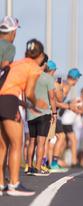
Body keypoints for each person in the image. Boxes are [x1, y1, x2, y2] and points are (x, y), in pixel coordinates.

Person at [0, 38, 47, 196]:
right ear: (40, 56)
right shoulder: (34, 67)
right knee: (16, 144)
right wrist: (37, 102)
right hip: (9, 101)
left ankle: (1, 184)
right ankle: (14, 184)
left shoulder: (17, 63)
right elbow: (29, 93)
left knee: (2, 146)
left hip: (2, 99)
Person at [26, 60, 57, 176]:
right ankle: (38, 168)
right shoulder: (48, 78)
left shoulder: (29, 77)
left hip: (30, 113)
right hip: (43, 113)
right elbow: (52, 97)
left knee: (32, 141)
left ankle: (29, 167)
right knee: (41, 142)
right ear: (43, 65)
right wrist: (54, 113)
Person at [50, 68, 82, 173]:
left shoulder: (63, 83)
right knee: (60, 137)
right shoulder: (65, 86)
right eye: (77, 79)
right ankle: (53, 163)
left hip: (53, 113)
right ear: (75, 79)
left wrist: (70, 104)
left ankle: (50, 162)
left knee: (53, 139)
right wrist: (69, 107)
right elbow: (55, 102)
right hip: (52, 113)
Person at [61, 86, 83, 167]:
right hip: (67, 122)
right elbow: (80, 110)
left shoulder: (80, 101)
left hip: (66, 122)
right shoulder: (79, 100)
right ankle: (74, 161)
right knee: (74, 141)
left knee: (65, 143)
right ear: (81, 94)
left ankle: (58, 160)